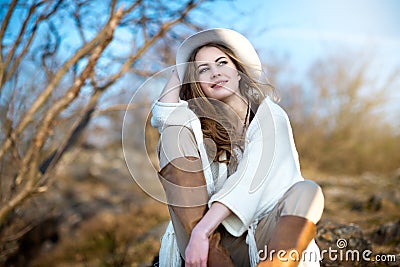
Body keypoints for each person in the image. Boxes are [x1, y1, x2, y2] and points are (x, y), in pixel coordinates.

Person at [151, 28, 324, 267]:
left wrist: (202, 229)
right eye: (204, 69)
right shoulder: (195, 124)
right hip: (209, 244)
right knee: (173, 132)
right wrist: (180, 70)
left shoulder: (270, 116)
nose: (215, 73)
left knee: (307, 191)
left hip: (260, 237)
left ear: (239, 72)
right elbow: (163, 116)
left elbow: (250, 179)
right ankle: (211, 255)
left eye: (222, 63)